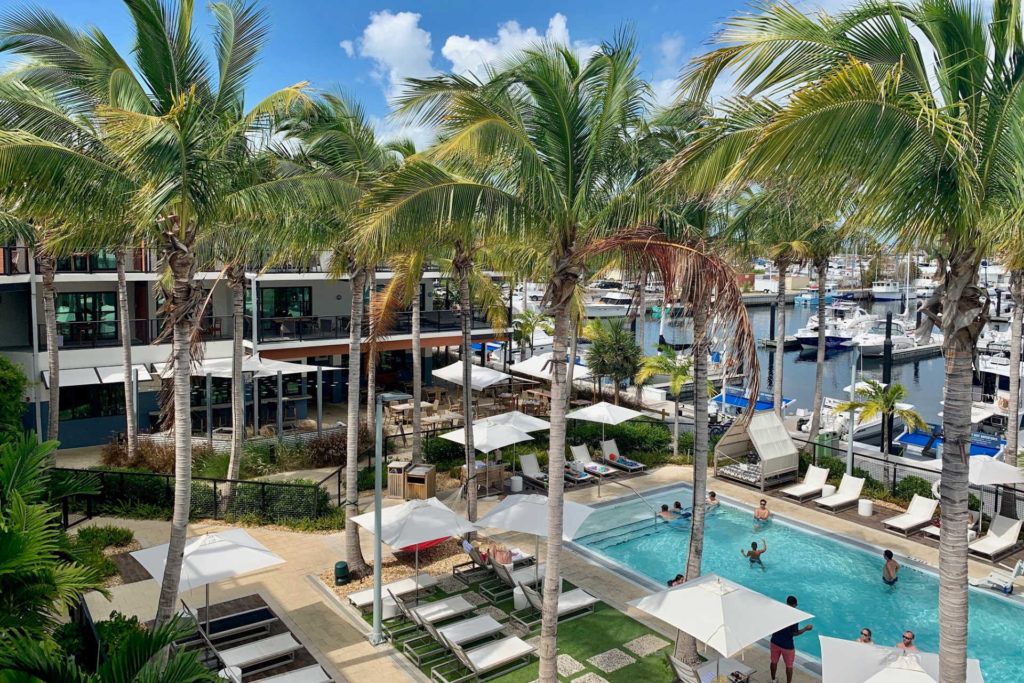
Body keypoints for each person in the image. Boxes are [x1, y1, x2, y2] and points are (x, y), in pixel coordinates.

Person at [769, 595, 812, 683]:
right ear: (795, 604)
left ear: (787, 602)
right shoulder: (794, 616)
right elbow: (795, 633)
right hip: (787, 646)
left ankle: (773, 680)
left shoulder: (778, 612)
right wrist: (805, 629)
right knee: (789, 666)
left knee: (773, 662)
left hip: (774, 642)